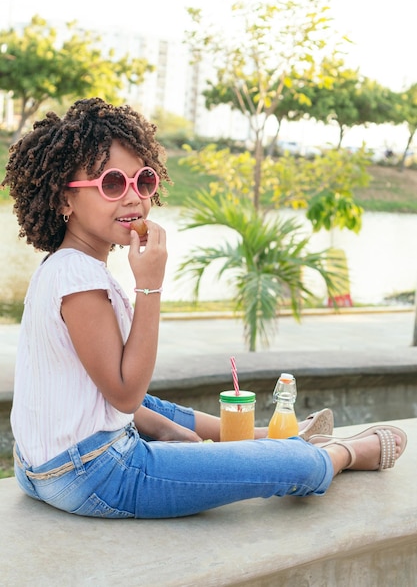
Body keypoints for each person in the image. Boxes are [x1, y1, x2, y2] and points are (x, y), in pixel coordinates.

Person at [2, 97, 407, 519]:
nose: (133, 198)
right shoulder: (78, 277)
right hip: (96, 474)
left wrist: (164, 427)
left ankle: (257, 433)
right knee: (287, 467)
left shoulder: (65, 266)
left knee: (154, 408)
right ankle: (336, 453)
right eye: (111, 184)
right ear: (65, 200)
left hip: (44, 467)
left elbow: (104, 395)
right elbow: (123, 394)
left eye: (143, 181)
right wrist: (150, 288)